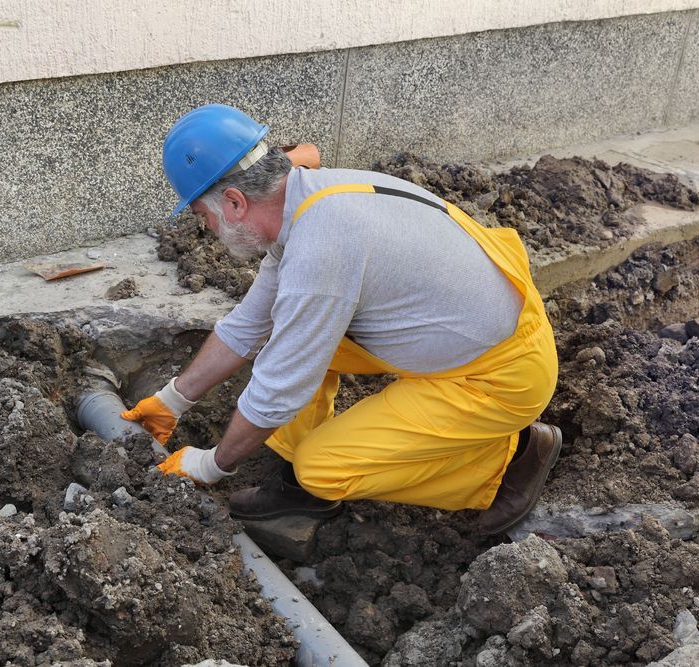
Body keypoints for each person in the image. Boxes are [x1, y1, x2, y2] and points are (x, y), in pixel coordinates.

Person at [122, 104, 561, 534]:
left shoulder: (322, 249)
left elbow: (277, 391)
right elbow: (249, 324)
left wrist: (213, 464)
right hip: (466, 327)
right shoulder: (305, 198)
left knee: (322, 468)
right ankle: (290, 478)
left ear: (235, 202)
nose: (208, 230)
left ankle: (511, 459)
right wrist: (171, 401)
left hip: (499, 377)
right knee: (296, 338)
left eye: (204, 217)